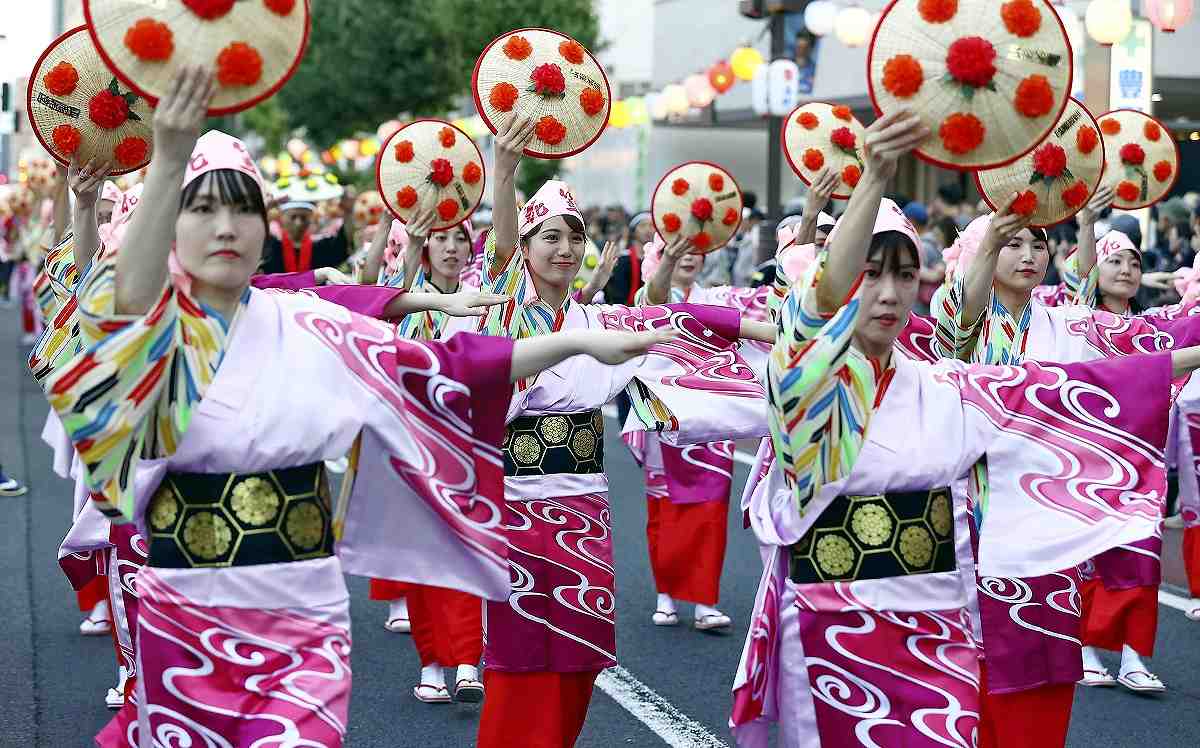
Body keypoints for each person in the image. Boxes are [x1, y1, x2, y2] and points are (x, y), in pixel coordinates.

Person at [37, 67, 680, 746]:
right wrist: (163, 161)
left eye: (243, 209)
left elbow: (452, 369)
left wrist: (581, 341)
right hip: (185, 612)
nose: (225, 227)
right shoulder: (153, 339)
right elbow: (114, 320)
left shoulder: (312, 328)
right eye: (202, 209)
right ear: (171, 225)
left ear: (263, 227)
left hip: (305, 615)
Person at [730, 109, 1196, 747]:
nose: (889, 293)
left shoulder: (941, 382)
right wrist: (874, 178)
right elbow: (820, 304)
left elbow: (1068, 389)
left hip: (940, 624)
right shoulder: (804, 377)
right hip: (833, 633)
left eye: (901, 274)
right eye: (870, 274)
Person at [474, 114, 775, 748]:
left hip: (586, 512)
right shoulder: (504, 309)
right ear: (524, 249)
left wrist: (774, 335)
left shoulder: (595, 317)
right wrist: (503, 174)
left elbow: (671, 320)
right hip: (518, 512)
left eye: (572, 238)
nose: (563, 249)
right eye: (548, 237)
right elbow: (501, 252)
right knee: (523, 655)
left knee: (580, 657)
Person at [259, 180, 358, 275]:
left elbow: (344, 241)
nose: (298, 222)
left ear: (311, 218)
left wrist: (348, 211)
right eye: (293, 217)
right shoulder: (270, 246)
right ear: (282, 217)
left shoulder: (322, 248)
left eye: (303, 217)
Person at [904, 201, 945, 315]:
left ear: (911, 221)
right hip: (930, 305)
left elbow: (936, 273)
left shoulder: (922, 245)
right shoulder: (935, 241)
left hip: (920, 308)